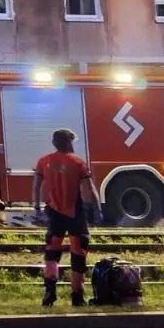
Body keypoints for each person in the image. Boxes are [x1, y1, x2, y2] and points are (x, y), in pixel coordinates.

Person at [32, 128, 103, 307]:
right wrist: (97, 209)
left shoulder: (43, 161)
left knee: (52, 252)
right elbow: (90, 188)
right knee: (78, 253)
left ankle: (49, 293)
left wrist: (36, 207)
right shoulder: (78, 163)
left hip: (54, 213)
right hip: (75, 214)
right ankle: (77, 296)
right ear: (69, 142)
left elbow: (36, 185)